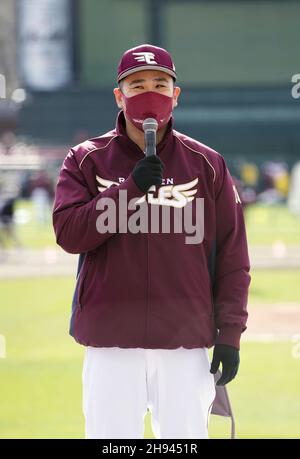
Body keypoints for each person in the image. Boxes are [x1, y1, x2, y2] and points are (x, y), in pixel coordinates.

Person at [52, 44, 251, 439]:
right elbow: (69, 233)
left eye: (160, 84)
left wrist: (229, 335)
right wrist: (130, 190)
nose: (149, 93)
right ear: (118, 95)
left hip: (184, 343)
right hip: (111, 343)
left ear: (176, 95)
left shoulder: (207, 163)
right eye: (137, 84)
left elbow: (233, 257)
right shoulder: (86, 159)